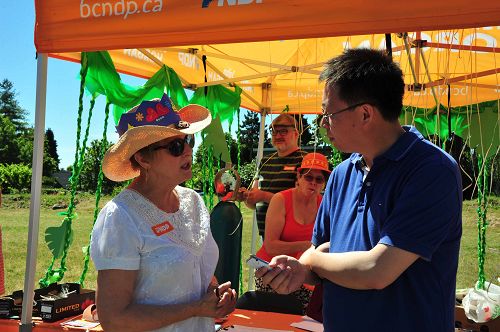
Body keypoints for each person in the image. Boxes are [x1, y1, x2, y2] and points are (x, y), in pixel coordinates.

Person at [257, 48, 462, 332]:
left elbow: (377, 270)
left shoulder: (431, 170)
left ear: (365, 114)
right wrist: (300, 269)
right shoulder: (342, 174)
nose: (323, 124)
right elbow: (325, 250)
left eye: (329, 113)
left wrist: (313, 259)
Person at [90, 94, 237, 332]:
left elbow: (196, 272)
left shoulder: (193, 201)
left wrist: (215, 295)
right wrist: (196, 308)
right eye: (176, 146)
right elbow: (113, 319)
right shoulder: (120, 217)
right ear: (142, 158)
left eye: (188, 140)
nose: (188, 151)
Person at [254, 152, 330, 312]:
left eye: (319, 179)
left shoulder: (324, 204)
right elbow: (271, 246)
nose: (313, 183)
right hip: (272, 271)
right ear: (299, 177)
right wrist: (307, 246)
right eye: (308, 177)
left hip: (303, 275)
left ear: (324, 183)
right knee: (276, 318)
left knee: (307, 317)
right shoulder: (281, 199)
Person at [244, 113, 307, 238]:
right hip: (266, 236)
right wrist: (247, 196)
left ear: (296, 133)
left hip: (292, 238)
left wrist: (263, 196)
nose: (277, 135)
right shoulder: (265, 161)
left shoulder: (305, 160)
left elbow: (305, 203)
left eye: (283, 131)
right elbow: (253, 202)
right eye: (274, 131)